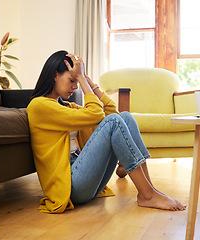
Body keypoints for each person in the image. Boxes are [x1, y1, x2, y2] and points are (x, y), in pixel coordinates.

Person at [27, 50, 186, 213]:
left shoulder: (67, 107)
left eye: (77, 81)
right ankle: (148, 194)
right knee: (114, 122)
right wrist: (82, 80)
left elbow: (113, 113)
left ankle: (149, 190)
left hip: (87, 178)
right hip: (69, 186)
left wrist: (90, 83)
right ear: (55, 75)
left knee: (125, 117)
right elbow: (97, 114)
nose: (75, 87)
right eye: (72, 80)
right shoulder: (39, 106)